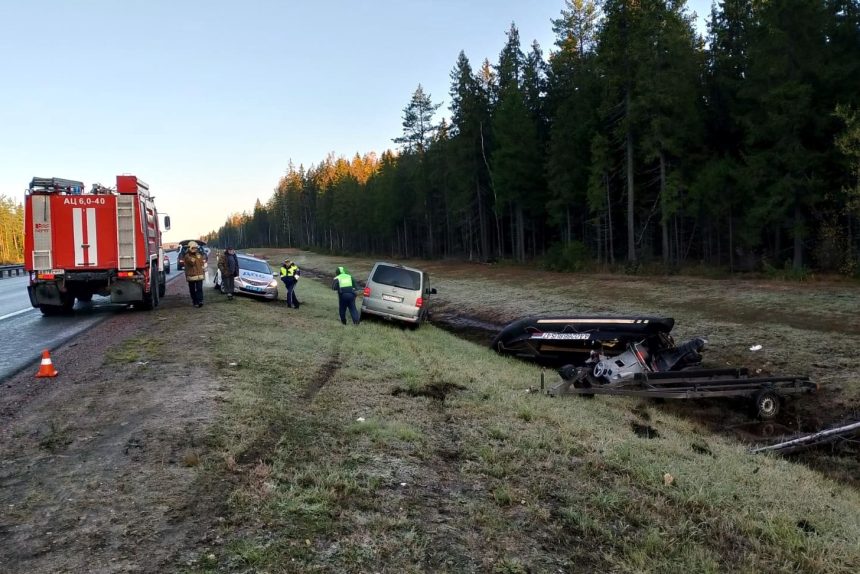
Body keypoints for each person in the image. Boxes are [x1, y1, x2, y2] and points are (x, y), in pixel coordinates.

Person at [183, 241, 207, 307]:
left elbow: (202, 262)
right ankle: (195, 301)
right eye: (193, 248)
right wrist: (195, 256)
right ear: (190, 248)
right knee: (192, 290)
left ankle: (200, 301)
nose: (195, 249)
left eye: (196, 248)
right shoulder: (187, 256)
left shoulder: (198, 254)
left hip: (199, 275)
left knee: (199, 289)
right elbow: (192, 262)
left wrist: (203, 267)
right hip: (191, 276)